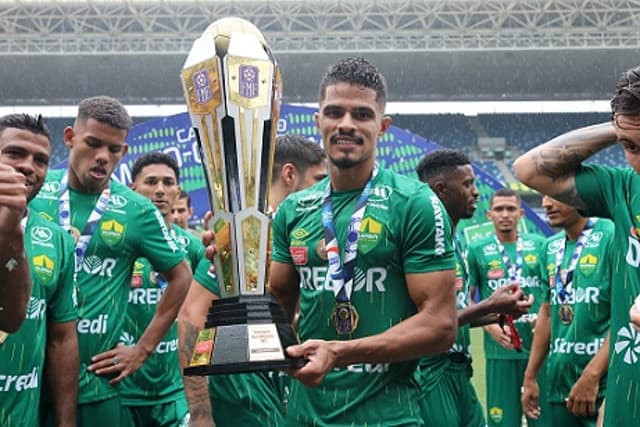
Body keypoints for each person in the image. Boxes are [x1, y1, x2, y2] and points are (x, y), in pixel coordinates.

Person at [269, 57, 458, 426]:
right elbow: (277, 302)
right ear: (318, 121)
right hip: (303, 416)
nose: (346, 125)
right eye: (334, 112)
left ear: (383, 126)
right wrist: (232, 265)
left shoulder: (414, 203)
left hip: (388, 417)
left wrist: (339, 353)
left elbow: (440, 325)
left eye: (362, 115)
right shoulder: (294, 210)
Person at [29, 96, 192, 425]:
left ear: (124, 152)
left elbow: (181, 277)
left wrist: (141, 350)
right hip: (28, 381)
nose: (103, 157)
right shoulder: (37, 192)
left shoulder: (137, 210)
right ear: (70, 138)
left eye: (114, 149)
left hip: (96, 386)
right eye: (93, 143)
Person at [513, 65, 640, 426]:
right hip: (626, 398)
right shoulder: (625, 188)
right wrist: (619, 128)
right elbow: (529, 170)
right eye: (631, 147)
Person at [180, 133, 327, 427]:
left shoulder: (305, 231)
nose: (325, 190)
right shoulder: (242, 231)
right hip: (244, 384)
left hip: (290, 378)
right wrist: (200, 412)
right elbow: (192, 317)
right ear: (289, 174)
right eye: (319, 179)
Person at [416, 149, 534, 427]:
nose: (476, 192)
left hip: (459, 369)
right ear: (441, 190)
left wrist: (497, 313)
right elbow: (426, 323)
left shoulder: (454, 242)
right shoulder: (422, 244)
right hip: (433, 372)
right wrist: (490, 305)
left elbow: (456, 313)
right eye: (467, 184)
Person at [119, 152, 218, 426]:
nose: (160, 190)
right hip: (122, 388)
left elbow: (211, 312)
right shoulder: (116, 244)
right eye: (151, 182)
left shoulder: (194, 247)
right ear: (133, 189)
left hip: (177, 392)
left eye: (168, 182)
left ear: (178, 191)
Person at [0, 113, 78, 426]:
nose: (28, 167)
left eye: (41, 160)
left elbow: (62, 338)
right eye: (15, 153)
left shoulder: (58, 241)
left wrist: (65, 422)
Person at [522, 195, 612, 426]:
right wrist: (531, 376)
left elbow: (627, 315)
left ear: (579, 194)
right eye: (543, 195)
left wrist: (592, 375)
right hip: (560, 383)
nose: (545, 203)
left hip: (605, 385)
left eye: (555, 195)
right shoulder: (549, 247)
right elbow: (547, 312)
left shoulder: (612, 235)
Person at [467, 188, 548, 427]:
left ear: (521, 213)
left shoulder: (540, 245)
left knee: (543, 421)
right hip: (499, 352)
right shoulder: (476, 249)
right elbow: (466, 300)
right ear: (489, 214)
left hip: (539, 350)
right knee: (503, 422)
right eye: (499, 209)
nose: (505, 214)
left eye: (511, 209)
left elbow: (552, 295)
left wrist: (543, 318)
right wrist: (490, 325)